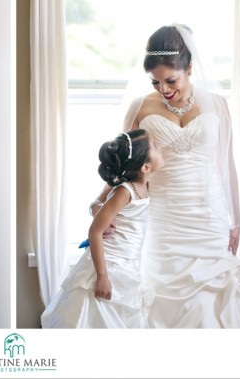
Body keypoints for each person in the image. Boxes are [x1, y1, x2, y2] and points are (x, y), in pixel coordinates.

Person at [91, 24, 240, 328]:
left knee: (214, 300)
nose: (163, 88)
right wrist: (99, 200)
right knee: (164, 298)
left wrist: (236, 220)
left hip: (208, 218)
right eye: (155, 82)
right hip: (163, 219)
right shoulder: (140, 107)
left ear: (190, 68)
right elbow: (125, 163)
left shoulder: (219, 105)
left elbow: (227, 165)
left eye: (171, 80)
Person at [41, 129, 164, 328]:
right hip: (110, 264)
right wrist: (102, 276)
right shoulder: (124, 191)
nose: (162, 149)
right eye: (157, 148)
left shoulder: (144, 186)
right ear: (146, 167)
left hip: (128, 265)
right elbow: (95, 231)